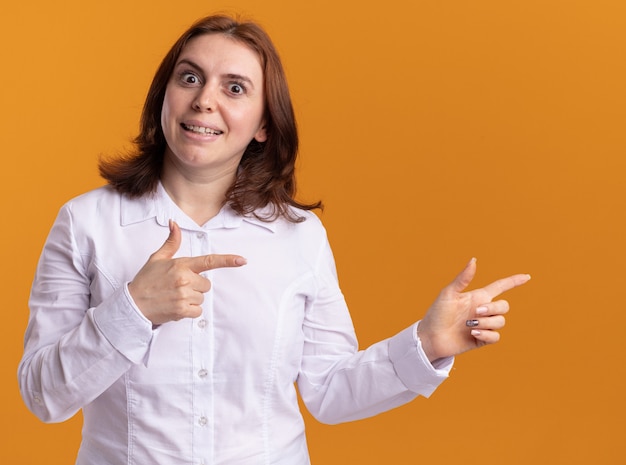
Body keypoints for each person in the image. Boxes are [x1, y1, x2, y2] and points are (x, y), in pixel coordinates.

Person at [18, 14, 530, 465]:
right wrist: (132, 310)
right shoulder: (84, 223)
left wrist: (427, 344)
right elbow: (43, 395)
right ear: (164, 97)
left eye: (235, 88)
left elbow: (329, 390)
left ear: (263, 122)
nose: (204, 100)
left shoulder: (299, 236)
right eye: (189, 77)